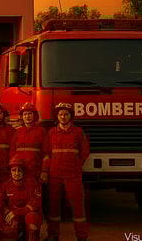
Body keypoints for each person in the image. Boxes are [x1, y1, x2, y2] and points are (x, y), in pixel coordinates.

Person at [42, 103, 91, 241]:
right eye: (60, 114)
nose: (63, 117)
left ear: (71, 116)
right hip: (54, 174)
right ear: (57, 116)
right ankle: (53, 234)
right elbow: (46, 153)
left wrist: (77, 165)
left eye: (66, 114)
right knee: (53, 207)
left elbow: (85, 151)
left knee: (78, 207)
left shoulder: (78, 132)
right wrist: (45, 171)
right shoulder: (51, 133)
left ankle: (81, 236)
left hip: (73, 175)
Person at [0, 156, 42, 241]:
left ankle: (32, 235)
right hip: (13, 218)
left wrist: (17, 212)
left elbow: (36, 203)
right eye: (13, 170)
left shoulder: (32, 183)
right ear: (10, 172)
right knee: (7, 232)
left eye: (19, 170)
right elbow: (1, 203)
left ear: (24, 171)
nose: (16, 173)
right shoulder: (5, 185)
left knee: (32, 217)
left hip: (28, 217)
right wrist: (7, 213)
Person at [10, 102, 49, 184]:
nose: (27, 116)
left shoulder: (41, 131)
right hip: (20, 173)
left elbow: (46, 154)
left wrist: (44, 171)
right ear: (22, 117)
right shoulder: (18, 132)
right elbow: (12, 153)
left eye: (30, 114)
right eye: (25, 114)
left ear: (35, 115)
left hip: (36, 173)